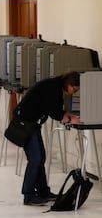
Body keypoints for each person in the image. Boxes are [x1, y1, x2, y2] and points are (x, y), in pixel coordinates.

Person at [16, 71, 81, 206]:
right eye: (73, 89)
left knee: (40, 157)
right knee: (35, 159)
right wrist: (71, 119)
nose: (73, 92)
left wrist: (68, 115)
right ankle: (28, 196)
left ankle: (43, 192)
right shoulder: (53, 89)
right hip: (26, 123)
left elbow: (56, 110)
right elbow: (56, 114)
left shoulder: (54, 85)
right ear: (69, 83)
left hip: (31, 123)